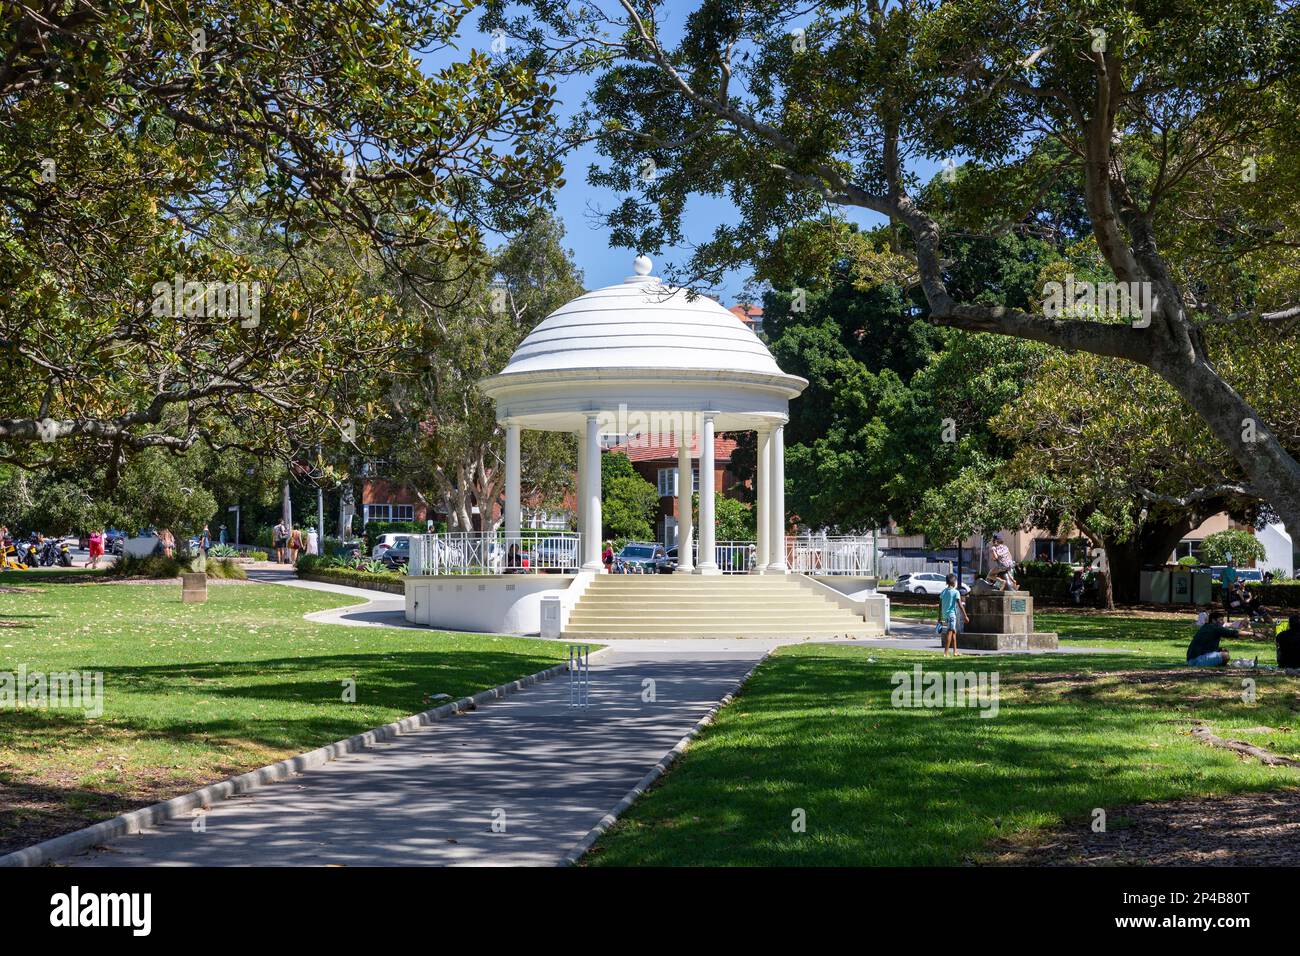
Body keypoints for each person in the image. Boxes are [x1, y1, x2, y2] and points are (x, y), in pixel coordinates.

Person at [938, 573, 970, 657]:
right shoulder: (956, 592)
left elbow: (940, 605)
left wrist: (939, 618)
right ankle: (946, 652)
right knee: (950, 632)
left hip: (945, 615)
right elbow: (960, 605)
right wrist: (965, 616)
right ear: (954, 582)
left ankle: (955, 651)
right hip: (952, 615)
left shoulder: (943, 592)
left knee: (954, 632)